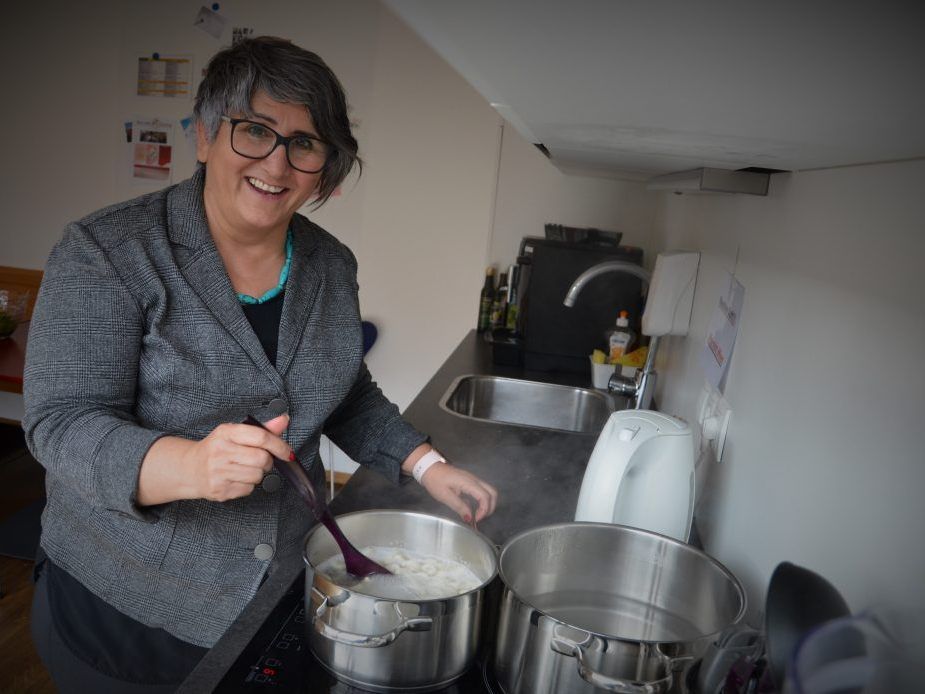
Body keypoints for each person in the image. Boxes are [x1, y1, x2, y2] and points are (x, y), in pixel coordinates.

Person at [23, 36, 497, 692]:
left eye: (304, 143)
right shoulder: (108, 251)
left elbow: (345, 391)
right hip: (125, 610)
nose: (277, 163)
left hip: (275, 588)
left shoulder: (330, 264)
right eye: (255, 130)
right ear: (206, 136)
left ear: (325, 165)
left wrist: (427, 465)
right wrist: (189, 465)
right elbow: (61, 424)